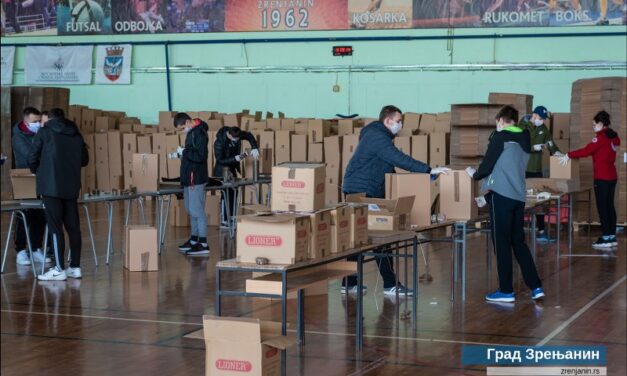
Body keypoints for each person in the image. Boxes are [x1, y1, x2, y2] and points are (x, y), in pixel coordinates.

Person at [342, 105, 450, 296]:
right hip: (362, 190)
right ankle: (389, 284)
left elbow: (388, 167)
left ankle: (349, 282)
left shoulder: (375, 135)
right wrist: (428, 170)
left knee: (358, 237)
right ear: (388, 121)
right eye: (398, 121)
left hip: (360, 188)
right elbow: (398, 159)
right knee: (381, 236)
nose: (400, 125)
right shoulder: (378, 138)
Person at [465, 105, 544, 303]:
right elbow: (504, 167)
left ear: (500, 120)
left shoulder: (500, 137)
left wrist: (474, 175)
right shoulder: (525, 137)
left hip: (501, 197)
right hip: (518, 197)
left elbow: (488, 165)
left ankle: (506, 290)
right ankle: (535, 286)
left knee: (501, 243)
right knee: (518, 242)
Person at [28, 108, 88, 281]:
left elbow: (32, 156)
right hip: (71, 186)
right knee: (73, 227)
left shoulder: (45, 131)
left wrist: (38, 171)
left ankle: (59, 268)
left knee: (55, 229)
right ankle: (75, 267)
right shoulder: (76, 133)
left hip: (50, 187)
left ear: (50, 119)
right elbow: (85, 160)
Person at [560, 110, 621, 249]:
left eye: (594, 125)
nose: (593, 127)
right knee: (610, 206)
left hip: (602, 177)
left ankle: (605, 237)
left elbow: (586, 151)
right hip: (612, 176)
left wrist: (569, 154)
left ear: (600, 124)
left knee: (602, 208)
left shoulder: (600, 138)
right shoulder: (613, 136)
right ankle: (611, 236)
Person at [519, 105, 562, 243]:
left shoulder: (543, 129)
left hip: (536, 170)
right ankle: (518, 231)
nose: (542, 121)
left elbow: (550, 143)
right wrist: (533, 147)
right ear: (534, 115)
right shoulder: (522, 126)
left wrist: (557, 153)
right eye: (541, 118)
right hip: (522, 169)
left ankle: (541, 231)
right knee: (521, 201)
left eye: (544, 119)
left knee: (540, 200)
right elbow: (518, 145)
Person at [12, 107, 49, 266]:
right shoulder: (18, 136)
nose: (37, 124)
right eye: (34, 122)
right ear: (26, 121)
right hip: (25, 178)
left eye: (38, 121)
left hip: (40, 177)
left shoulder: (40, 132)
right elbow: (29, 156)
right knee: (24, 214)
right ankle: (20, 250)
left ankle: (35, 248)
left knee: (39, 215)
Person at [173, 113, 211, 256]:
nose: (182, 131)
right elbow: (192, 153)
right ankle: (194, 239)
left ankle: (203, 243)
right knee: (190, 209)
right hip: (189, 178)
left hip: (196, 177)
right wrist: (182, 153)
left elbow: (201, 156)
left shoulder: (199, 133)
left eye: (182, 128)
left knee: (197, 211)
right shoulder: (192, 133)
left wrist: (185, 152)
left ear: (188, 122)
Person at [213, 126, 259, 227]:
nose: (237, 140)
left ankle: (232, 217)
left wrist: (255, 147)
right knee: (226, 193)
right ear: (229, 134)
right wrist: (235, 158)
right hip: (222, 171)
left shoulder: (236, 134)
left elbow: (249, 136)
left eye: (238, 139)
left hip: (232, 169)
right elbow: (220, 160)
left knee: (234, 191)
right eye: (234, 139)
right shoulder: (219, 142)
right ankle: (225, 220)